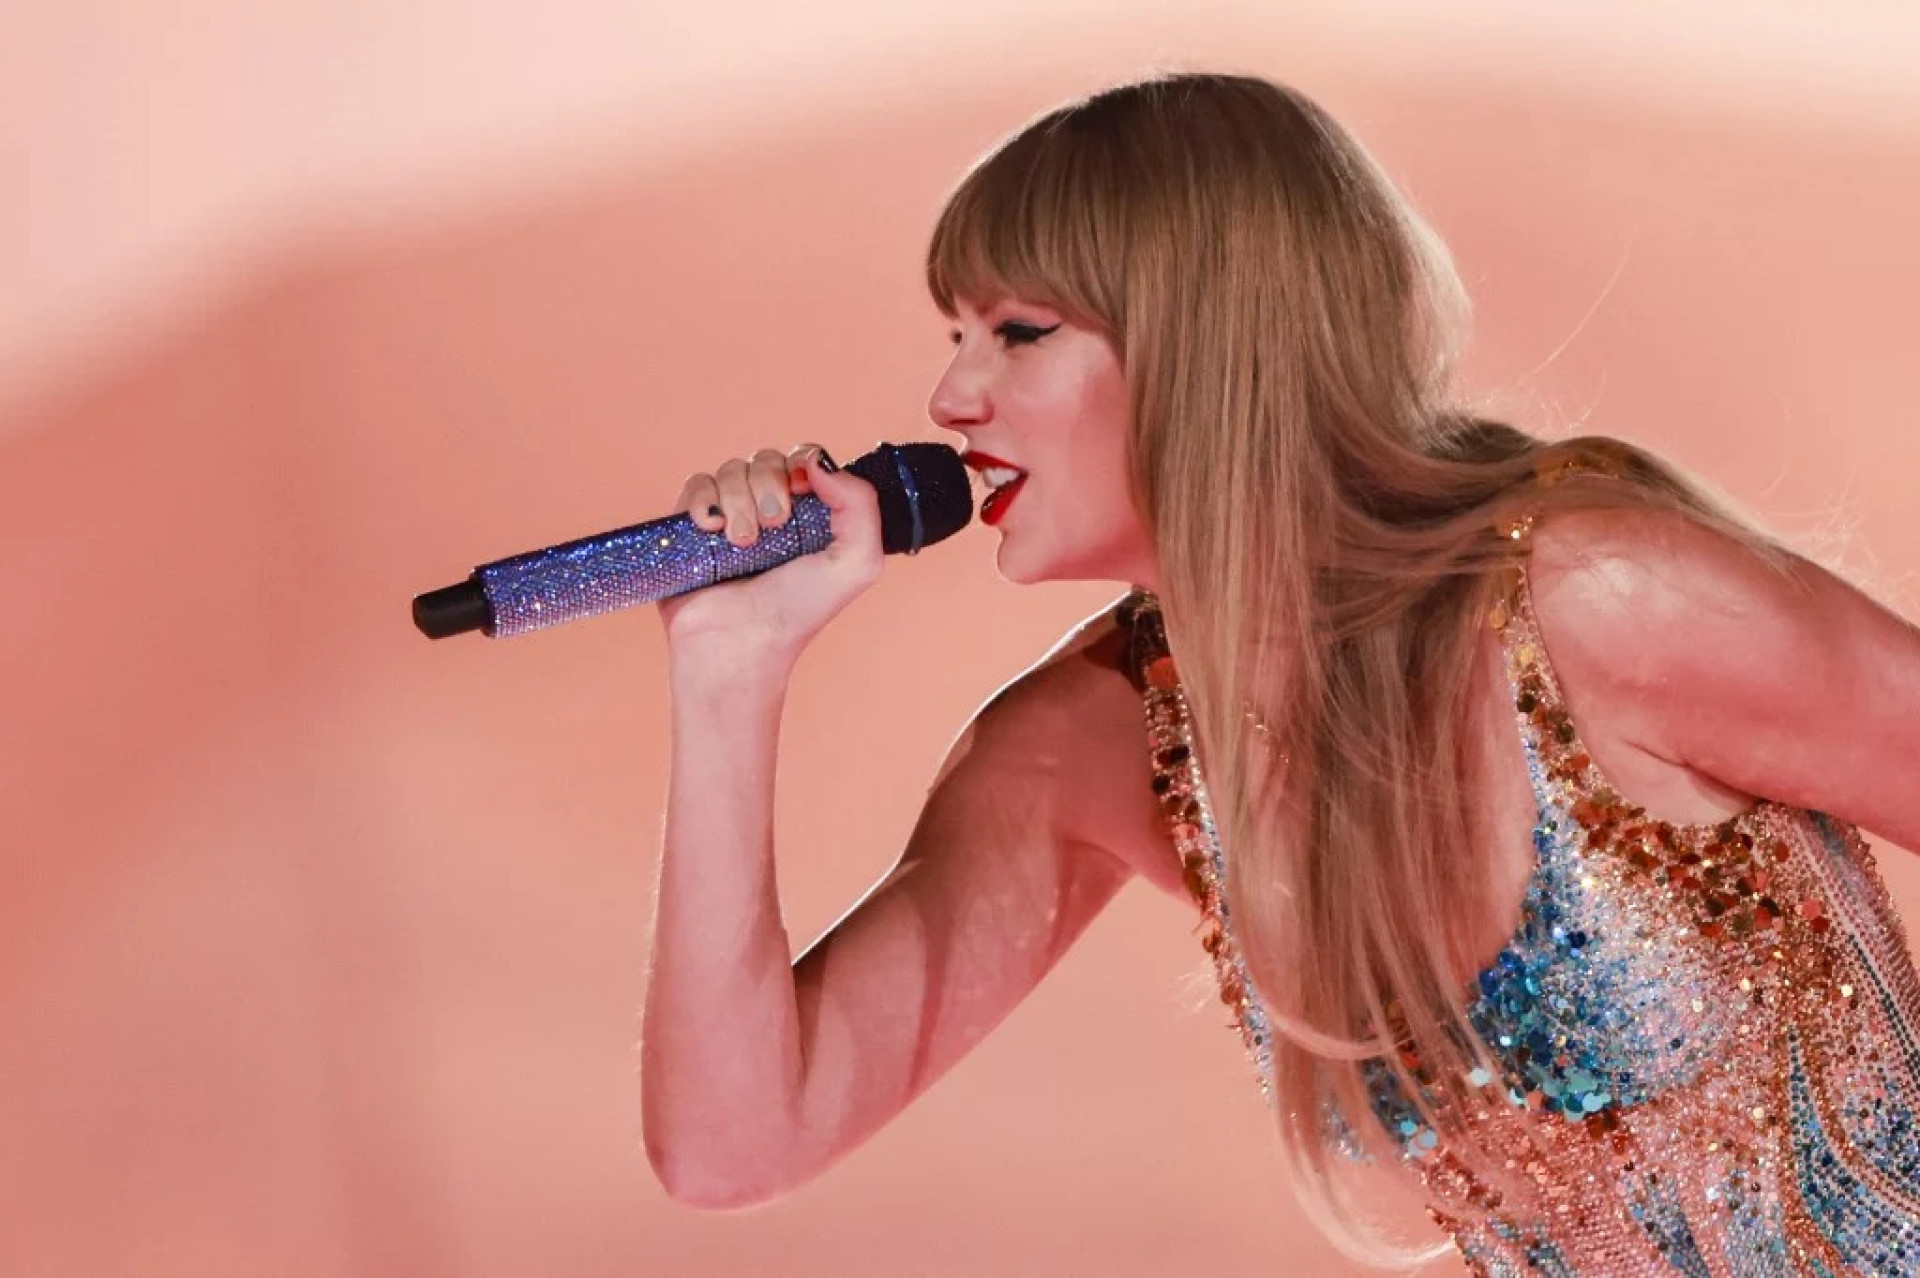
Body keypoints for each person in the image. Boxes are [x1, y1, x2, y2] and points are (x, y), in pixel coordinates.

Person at [637, 71, 1920, 1274]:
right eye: (956, 334)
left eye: (1018, 332)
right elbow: (735, 1142)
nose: (950, 395)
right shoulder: (1089, 746)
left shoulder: (1597, 599)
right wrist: (726, 676)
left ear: (1209, 339)